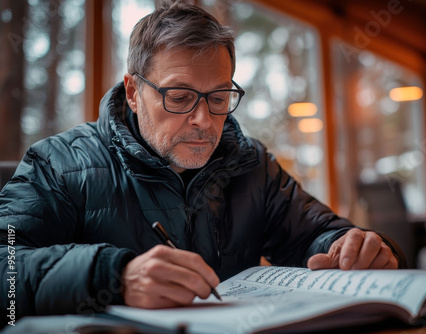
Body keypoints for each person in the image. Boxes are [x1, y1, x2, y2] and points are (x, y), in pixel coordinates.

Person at [0, 0, 405, 325]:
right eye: (178, 96)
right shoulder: (58, 164)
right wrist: (112, 276)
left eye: (218, 97)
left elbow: (315, 236)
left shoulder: (252, 164)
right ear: (134, 92)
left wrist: (355, 247)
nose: (203, 120)